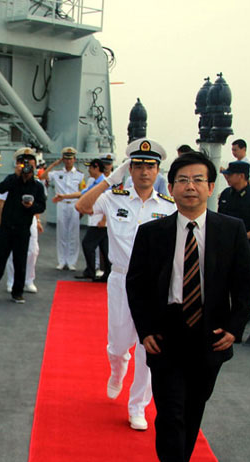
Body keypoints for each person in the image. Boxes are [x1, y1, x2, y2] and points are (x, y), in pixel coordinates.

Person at [125, 151, 250, 462]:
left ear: (211, 187)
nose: (190, 187)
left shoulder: (231, 230)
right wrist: (145, 329)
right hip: (167, 330)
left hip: (211, 333)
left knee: (195, 405)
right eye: (182, 180)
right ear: (172, 187)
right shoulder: (153, 233)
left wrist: (234, 329)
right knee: (170, 409)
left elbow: (245, 287)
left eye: (198, 180)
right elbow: (135, 285)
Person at [74, 139, 177, 431]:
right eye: (139, 165)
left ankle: (138, 407)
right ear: (129, 169)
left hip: (154, 284)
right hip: (120, 279)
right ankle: (117, 370)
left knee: (150, 347)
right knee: (119, 344)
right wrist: (110, 179)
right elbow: (83, 206)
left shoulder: (168, 207)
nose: (145, 172)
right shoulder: (114, 197)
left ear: (158, 170)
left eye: (151, 166)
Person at [0, 147, 46, 303]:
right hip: (6, 228)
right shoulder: (12, 180)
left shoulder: (37, 187)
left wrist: (31, 207)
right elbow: (1, 188)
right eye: (23, 163)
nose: (26, 168)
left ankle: (17, 292)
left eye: (29, 164)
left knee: (20, 262)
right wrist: (16, 175)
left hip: (23, 229)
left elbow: (41, 206)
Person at [41, 146, 86, 270]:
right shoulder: (57, 173)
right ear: (63, 160)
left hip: (74, 205)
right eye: (66, 159)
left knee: (73, 234)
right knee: (61, 233)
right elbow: (43, 176)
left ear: (74, 159)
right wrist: (55, 164)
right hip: (61, 205)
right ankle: (62, 260)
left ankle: (71, 262)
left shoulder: (80, 175)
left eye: (70, 159)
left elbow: (83, 191)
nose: (68, 161)